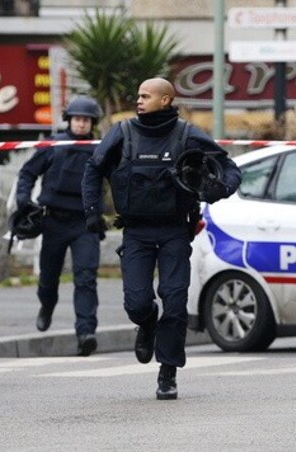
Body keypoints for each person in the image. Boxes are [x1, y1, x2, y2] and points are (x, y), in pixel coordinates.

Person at [82, 78, 241, 400]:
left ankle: (167, 372)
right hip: (137, 231)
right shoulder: (123, 132)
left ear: (166, 100)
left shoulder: (187, 134)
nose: (138, 100)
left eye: (145, 96)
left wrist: (219, 190)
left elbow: (227, 167)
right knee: (137, 303)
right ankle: (147, 324)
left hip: (174, 231)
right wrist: (92, 212)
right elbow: (93, 168)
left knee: (175, 300)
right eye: (137, 95)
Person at [15, 96, 103, 356]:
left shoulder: (100, 149)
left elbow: (118, 179)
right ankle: (47, 305)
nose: (81, 124)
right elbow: (27, 173)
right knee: (48, 278)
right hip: (53, 220)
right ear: (69, 120)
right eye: (77, 119)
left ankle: (86, 333)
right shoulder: (53, 145)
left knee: (86, 278)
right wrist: (23, 200)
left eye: (86, 120)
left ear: (92, 123)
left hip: (85, 223)